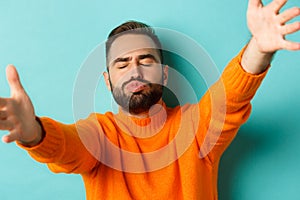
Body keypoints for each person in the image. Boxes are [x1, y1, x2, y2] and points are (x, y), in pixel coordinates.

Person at [1, 0, 299, 199]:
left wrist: (260, 48)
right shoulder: (100, 135)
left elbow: (230, 98)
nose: (135, 70)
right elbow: (67, 145)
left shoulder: (195, 127)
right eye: (122, 63)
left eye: (146, 59)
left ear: (165, 75)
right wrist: (34, 133)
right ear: (107, 80)